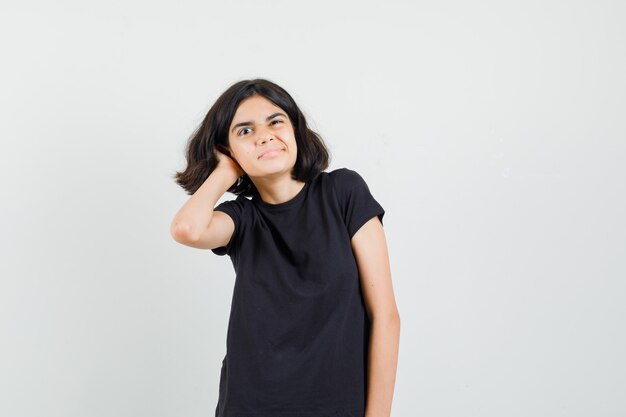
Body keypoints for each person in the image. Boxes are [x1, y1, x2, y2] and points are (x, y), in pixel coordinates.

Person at [170, 78, 400, 417]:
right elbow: (187, 230)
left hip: (336, 407)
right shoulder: (242, 219)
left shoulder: (343, 193)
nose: (264, 135)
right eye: (244, 131)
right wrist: (223, 173)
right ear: (228, 150)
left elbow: (386, 317)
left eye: (275, 121)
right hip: (249, 407)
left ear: (294, 129)